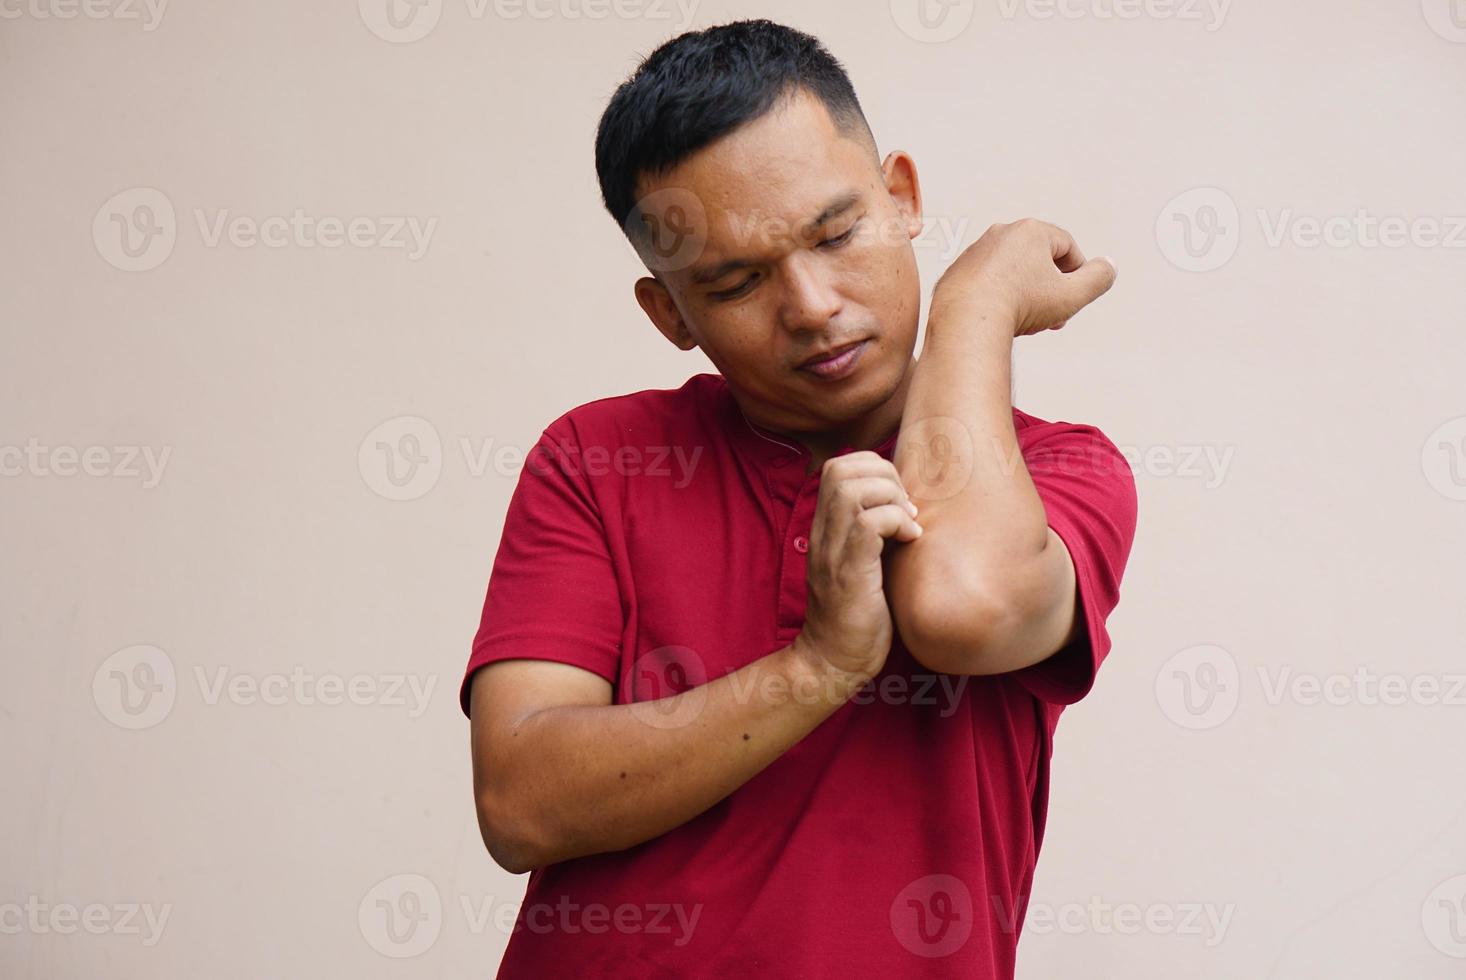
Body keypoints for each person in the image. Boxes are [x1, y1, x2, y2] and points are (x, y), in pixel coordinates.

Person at [460, 18, 1137, 978]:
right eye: (735, 281)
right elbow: (523, 804)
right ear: (671, 315)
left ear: (901, 197)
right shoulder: (599, 459)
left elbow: (961, 608)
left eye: (838, 233)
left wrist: (974, 306)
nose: (813, 305)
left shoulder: (1060, 475)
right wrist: (820, 665)